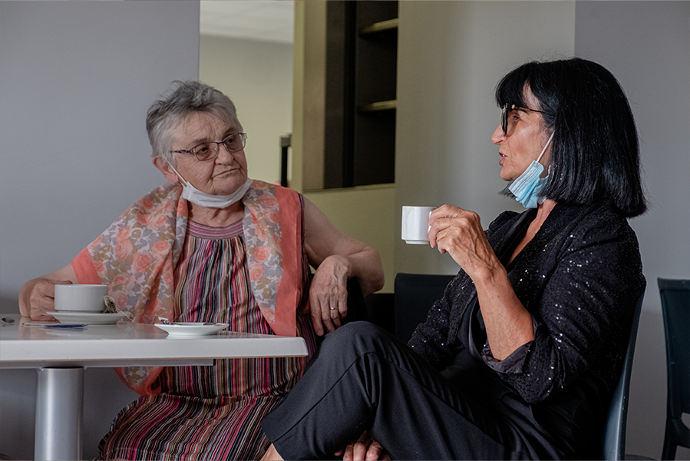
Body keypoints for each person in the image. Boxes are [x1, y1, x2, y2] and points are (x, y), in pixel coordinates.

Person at [259, 57, 647, 460]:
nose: (497, 134)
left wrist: (483, 267)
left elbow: (537, 377)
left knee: (362, 346)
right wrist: (375, 419)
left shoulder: (603, 240)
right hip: (464, 423)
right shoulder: (506, 230)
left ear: (569, 131)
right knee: (359, 364)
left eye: (514, 117)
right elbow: (432, 341)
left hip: (528, 445)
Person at [18, 81, 384, 460]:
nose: (225, 158)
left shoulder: (286, 208)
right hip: (177, 401)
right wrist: (34, 292)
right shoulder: (147, 221)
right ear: (168, 167)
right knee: (125, 449)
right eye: (203, 150)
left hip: (271, 398)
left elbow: (371, 266)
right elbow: (54, 283)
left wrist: (339, 263)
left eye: (231, 140)